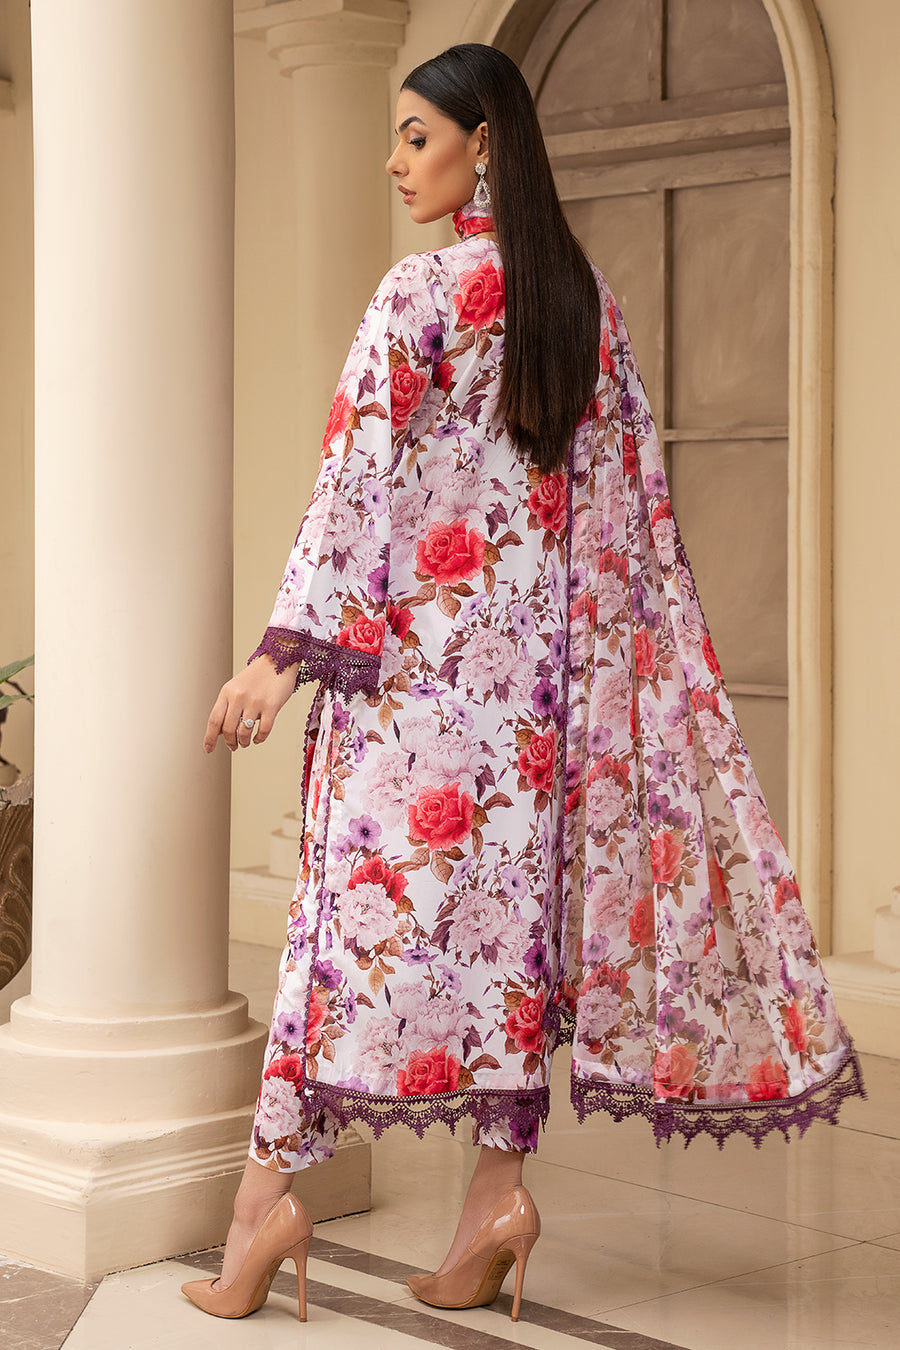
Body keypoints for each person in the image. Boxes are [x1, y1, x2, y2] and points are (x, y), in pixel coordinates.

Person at [182, 43, 865, 1325]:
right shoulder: (579, 299)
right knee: (507, 954)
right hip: (534, 716)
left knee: (338, 944)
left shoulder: (419, 295)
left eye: (415, 136)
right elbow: (632, 517)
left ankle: (259, 1213)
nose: (396, 162)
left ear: (481, 141)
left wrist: (278, 659)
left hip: (410, 698)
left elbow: (353, 487)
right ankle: (494, 1203)